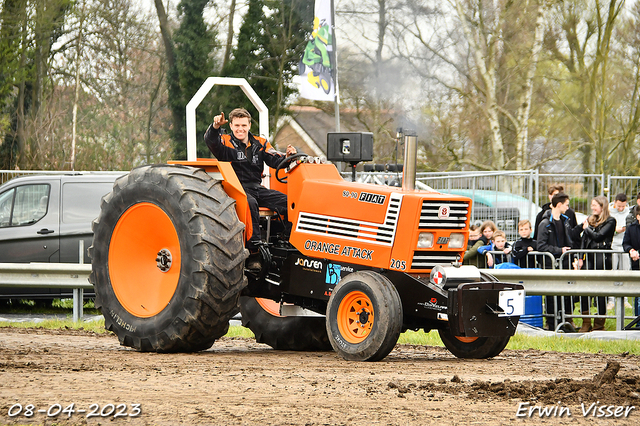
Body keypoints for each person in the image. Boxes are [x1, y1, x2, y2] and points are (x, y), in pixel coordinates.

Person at [204, 108, 297, 269]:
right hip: (234, 188)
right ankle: (254, 252)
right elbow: (211, 141)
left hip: (256, 186)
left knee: (289, 203)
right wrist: (215, 126)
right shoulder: (224, 141)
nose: (241, 129)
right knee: (250, 203)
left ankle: (287, 241)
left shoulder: (260, 143)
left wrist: (288, 158)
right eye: (237, 125)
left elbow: (275, 160)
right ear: (231, 126)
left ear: (249, 125)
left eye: (244, 125)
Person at [536, 192, 578, 330]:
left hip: (564, 264)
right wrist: (559, 250)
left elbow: (570, 241)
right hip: (551, 265)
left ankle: (563, 322)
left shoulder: (565, 221)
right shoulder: (545, 224)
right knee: (551, 296)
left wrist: (573, 257)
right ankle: (552, 323)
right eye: (566, 204)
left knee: (564, 296)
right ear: (559, 205)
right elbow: (541, 246)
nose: (568, 207)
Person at [576, 196, 616, 332]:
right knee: (585, 289)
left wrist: (587, 228)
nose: (592, 208)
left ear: (602, 206)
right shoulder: (590, 219)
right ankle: (586, 322)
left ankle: (599, 324)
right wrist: (580, 257)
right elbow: (584, 240)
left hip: (602, 258)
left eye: (595, 205)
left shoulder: (610, 221)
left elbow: (599, 236)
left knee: (601, 291)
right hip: (589, 258)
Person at [623, 205, 640, 317]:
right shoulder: (631, 228)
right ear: (638, 216)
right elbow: (625, 243)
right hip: (636, 264)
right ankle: (637, 320)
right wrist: (631, 250)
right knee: (637, 295)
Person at [609, 193, 630, 271]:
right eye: (619, 206)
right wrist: (614, 230)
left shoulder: (628, 213)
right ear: (614, 202)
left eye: (623, 206)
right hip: (613, 245)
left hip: (624, 245)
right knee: (613, 268)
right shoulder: (609, 213)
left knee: (625, 269)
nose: (621, 208)